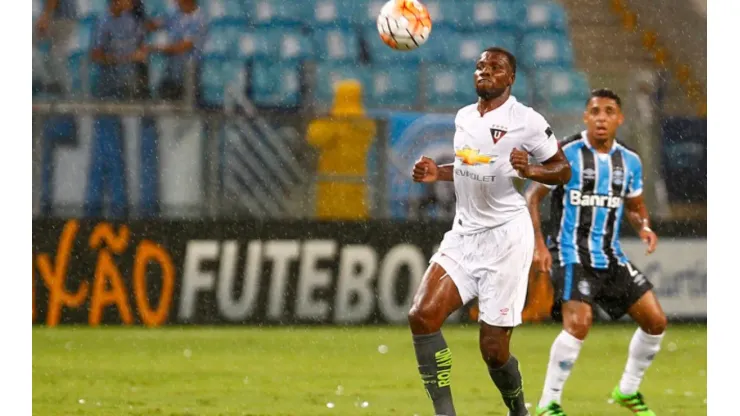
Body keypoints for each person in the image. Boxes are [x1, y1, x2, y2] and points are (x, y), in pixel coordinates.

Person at [408, 47, 572, 416]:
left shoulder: (526, 120)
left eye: (495, 67)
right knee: (422, 315)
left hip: (505, 240)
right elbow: (474, 164)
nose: (484, 71)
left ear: (510, 79)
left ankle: (518, 410)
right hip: (464, 235)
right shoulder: (464, 116)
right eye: (480, 66)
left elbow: (563, 171)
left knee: (494, 352)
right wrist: (439, 172)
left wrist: (530, 170)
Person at [525, 89, 667, 416]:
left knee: (656, 321)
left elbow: (635, 206)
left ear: (620, 119)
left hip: (610, 256)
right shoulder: (565, 153)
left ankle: (627, 391)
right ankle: (548, 404)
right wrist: (538, 244)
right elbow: (532, 197)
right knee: (579, 323)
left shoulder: (629, 161)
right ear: (585, 117)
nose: (601, 118)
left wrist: (643, 225)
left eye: (608, 111)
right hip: (570, 252)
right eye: (595, 111)